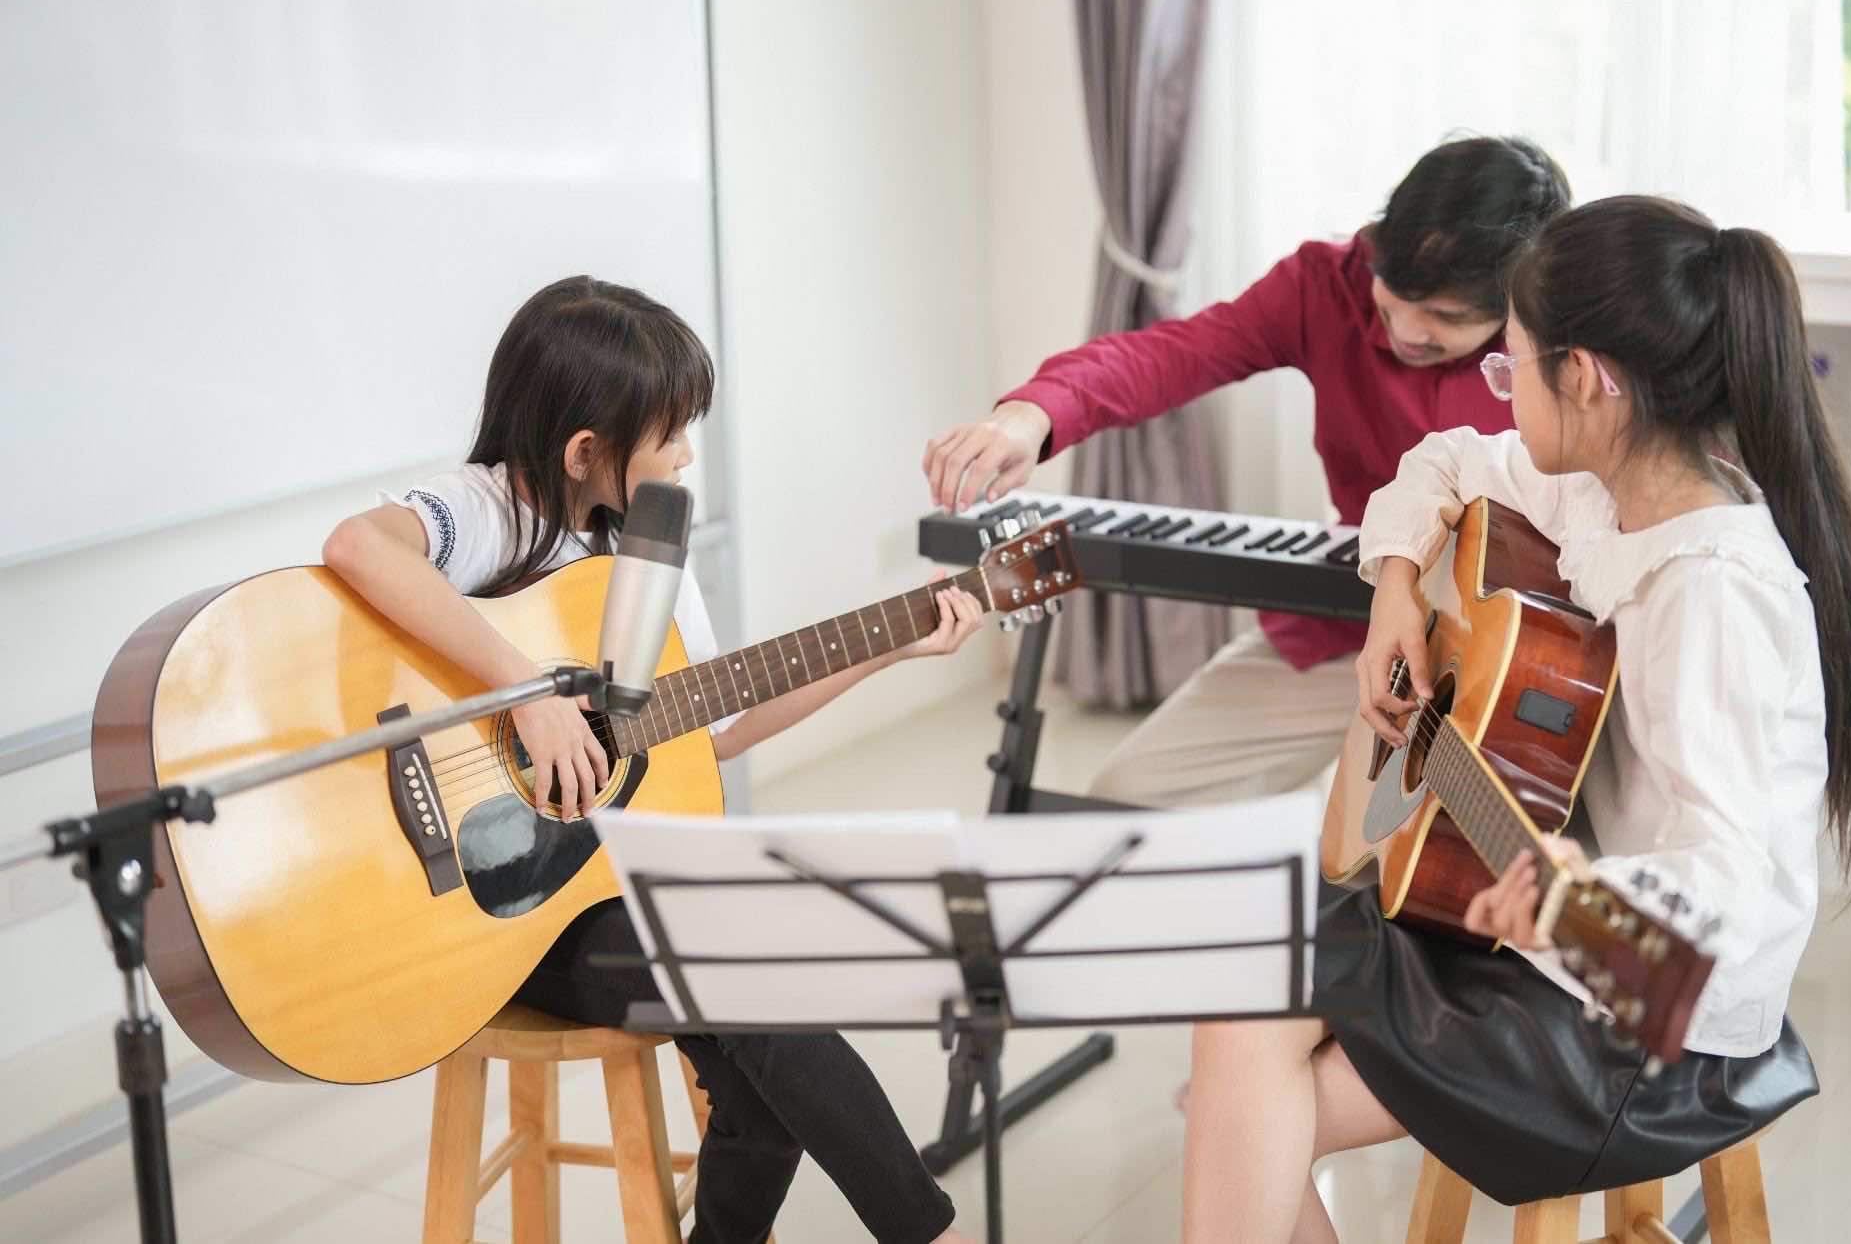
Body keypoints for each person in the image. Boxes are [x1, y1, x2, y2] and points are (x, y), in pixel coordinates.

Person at [1179, 197, 1851, 1241]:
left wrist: (1574, 903)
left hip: (1649, 1021)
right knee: (1239, 1008)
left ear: (1589, 379)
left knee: (1245, 1095)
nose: (1499, 393)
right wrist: (1393, 589)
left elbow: (1728, 886)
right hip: (1542, 932)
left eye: (1511, 367)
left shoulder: (1712, 592)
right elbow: (1443, 460)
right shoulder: (1605, 490)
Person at [322, 276, 981, 1244]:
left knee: (762, 1042)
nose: (686, 458)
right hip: (494, 918)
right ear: (585, 450)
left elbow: (717, 725)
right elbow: (358, 545)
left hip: (598, 885)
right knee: (760, 994)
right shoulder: (486, 508)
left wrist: (892, 642)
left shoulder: (647, 550)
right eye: (670, 435)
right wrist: (528, 690)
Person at [921, 134, 1571, 808]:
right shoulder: (1324, 283)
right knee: (1127, 799)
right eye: (1391, 295)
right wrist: (1030, 414)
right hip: (1352, 632)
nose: (1404, 329)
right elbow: (1177, 354)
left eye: (1444, 317)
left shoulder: (1563, 341)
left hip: (1520, 658)